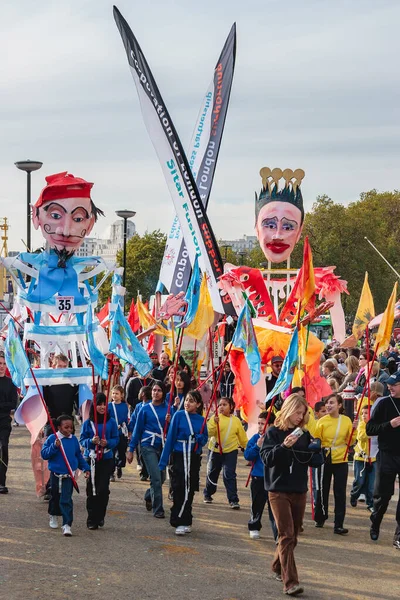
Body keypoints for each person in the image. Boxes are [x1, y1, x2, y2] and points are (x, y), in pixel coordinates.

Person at [260, 393, 317, 597]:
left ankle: (277, 565)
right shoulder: (273, 433)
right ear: (288, 410)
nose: (300, 417)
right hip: (278, 490)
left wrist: (318, 452)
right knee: (286, 535)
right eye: (297, 413)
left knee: (294, 534)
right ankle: (290, 582)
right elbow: (267, 458)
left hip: (299, 489)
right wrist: (284, 446)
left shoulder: (304, 433)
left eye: (303, 414)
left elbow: (311, 461)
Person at [159, 391, 208, 535]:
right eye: (186, 400)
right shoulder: (178, 416)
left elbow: (205, 439)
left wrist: (200, 439)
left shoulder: (201, 420)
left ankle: (186, 519)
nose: (187, 403)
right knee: (179, 486)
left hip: (193, 457)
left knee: (190, 487)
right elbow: (170, 439)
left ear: (198, 404)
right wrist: (163, 461)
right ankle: (177, 519)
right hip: (179, 455)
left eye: (191, 401)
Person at [126, 380, 171, 518]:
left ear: (163, 393)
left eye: (159, 390)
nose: (156, 393)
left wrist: (170, 420)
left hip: (162, 446)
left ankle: (149, 495)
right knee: (156, 477)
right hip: (147, 445)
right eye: (154, 390)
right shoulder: (144, 409)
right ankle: (158, 510)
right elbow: (137, 430)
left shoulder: (169, 409)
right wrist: (131, 449)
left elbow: (172, 430)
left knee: (161, 477)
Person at [366, 370, 400, 548]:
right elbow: (369, 429)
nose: (390, 387)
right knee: (383, 496)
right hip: (386, 454)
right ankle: (375, 522)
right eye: (389, 384)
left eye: (394, 385)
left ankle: (398, 535)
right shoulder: (383, 403)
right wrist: (390, 424)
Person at [41, 414, 90, 536]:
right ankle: (53, 514)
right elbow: (44, 454)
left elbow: (78, 456)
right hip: (56, 475)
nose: (69, 430)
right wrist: (54, 447)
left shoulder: (73, 440)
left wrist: (86, 468)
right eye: (66, 427)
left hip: (69, 476)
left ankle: (67, 524)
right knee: (55, 497)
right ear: (58, 427)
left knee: (66, 499)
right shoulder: (53, 438)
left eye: (71, 427)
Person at [314, 393, 355, 535]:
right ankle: (320, 517)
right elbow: (316, 440)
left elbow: (351, 441)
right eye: (327, 403)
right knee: (322, 489)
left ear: (339, 405)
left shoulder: (347, 421)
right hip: (325, 458)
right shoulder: (321, 421)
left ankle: (339, 524)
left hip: (341, 458)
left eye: (332, 403)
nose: (328, 405)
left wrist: (354, 431)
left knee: (340, 492)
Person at [80, 393, 119, 530]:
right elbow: (82, 440)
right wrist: (91, 441)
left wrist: (107, 443)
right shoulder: (87, 423)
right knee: (91, 490)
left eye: (104, 404)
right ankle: (91, 519)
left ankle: (100, 515)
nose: (102, 407)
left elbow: (116, 439)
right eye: (99, 404)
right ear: (94, 406)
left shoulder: (111, 422)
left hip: (106, 459)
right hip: (91, 459)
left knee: (103, 489)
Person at [203, 397, 248, 509]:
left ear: (231, 406)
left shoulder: (236, 421)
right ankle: (208, 493)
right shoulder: (215, 418)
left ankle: (233, 499)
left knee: (229, 474)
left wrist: (247, 448)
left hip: (230, 451)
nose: (221, 407)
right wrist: (213, 422)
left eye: (224, 404)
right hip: (215, 450)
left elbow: (242, 438)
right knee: (212, 473)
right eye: (220, 405)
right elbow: (209, 433)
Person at [244, 411, 278, 541]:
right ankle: (254, 526)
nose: (259, 426)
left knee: (274, 507)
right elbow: (248, 455)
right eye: (258, 423)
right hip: (258, 476)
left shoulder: (275, 438)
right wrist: (257, 446)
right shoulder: (254, 438)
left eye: (262, 423)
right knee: (256, 504)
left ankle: (277, 532)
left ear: (270, 425)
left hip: (273, 477)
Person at [350, 405, 376, 512]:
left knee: (371, 484)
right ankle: (354, 495)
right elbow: (361, 436)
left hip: (373, 458)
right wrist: (372, 432)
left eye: (367, 413)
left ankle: (370, 503)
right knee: (359, 481)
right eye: (363, 413)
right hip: (361, 458)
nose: (364, 415)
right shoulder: (361, 425)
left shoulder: (375, 424)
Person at [0, 352, 18, 494]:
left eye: (3, 364)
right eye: (0, 364)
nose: (1, 366)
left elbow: (13, 403)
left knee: (3, 449)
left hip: (4, 422)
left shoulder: (10, 383)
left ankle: (1, 482)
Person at [128, 385, 152, 480]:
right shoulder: (138, 406)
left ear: (142, 394)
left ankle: (147, 472)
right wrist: (130, 429)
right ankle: (144, 471)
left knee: (148, 454)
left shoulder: (150, 405)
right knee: (141, 454)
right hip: (139, 434)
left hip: (148, 434)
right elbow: (134, 419)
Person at [108, 385, 129, 481]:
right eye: (113, 393)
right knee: (111, 452)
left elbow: (126, 419)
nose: (115, 395)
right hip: (112, 433)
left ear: (122, 395)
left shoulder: (125, 406)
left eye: (117, 393)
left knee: (121, 452)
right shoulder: (109, 406)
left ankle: (119, 466)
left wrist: (125, 428)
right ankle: (111, 472)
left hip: (121, 432)